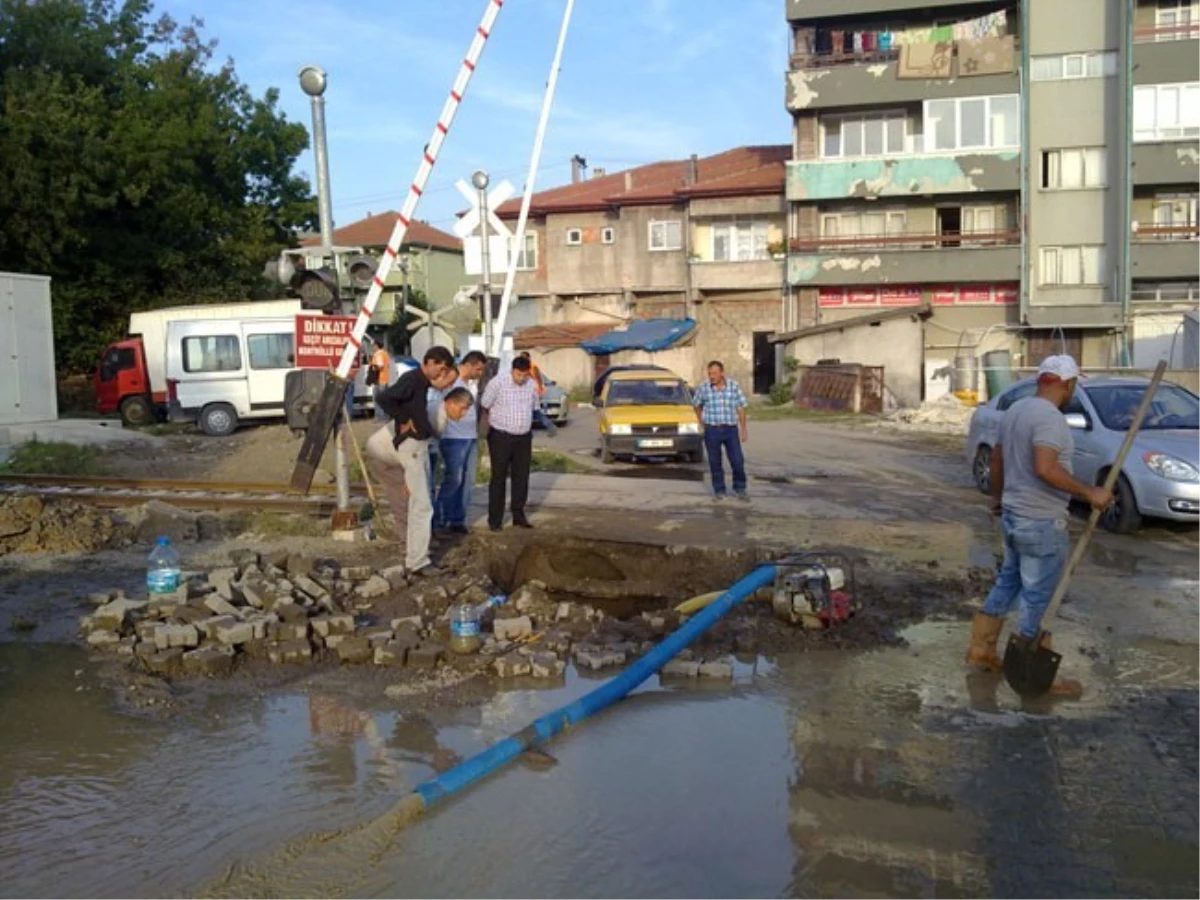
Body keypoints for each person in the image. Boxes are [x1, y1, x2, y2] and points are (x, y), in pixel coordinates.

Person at [966, 355, 1113, 698]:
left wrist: (1000, 500)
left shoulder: (1016, 410)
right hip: (1041, 520)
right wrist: (1091, 492)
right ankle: (1033, 677)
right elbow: (1045, 468)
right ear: (1067, 383)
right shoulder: (1050, 419)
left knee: (1009, 581)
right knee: (1039, 599)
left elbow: (999, 459)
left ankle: (982, 651)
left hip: (1015, 515)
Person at [367, 346, 459, 577]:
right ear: (429, 362)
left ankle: (416, 556)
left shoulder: (422, 383)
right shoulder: (413, 379)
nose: (442, 373)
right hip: (412, 446)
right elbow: (384, 398)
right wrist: (403, 419)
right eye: (441, 368)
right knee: (422, 504)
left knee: (420, 503)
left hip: (418, 444)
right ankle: (418, 561)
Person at [481, 356, 540, 531]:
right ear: (512, 370)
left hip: (523, 437)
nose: (521, 378)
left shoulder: (531, 384)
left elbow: (534, 407)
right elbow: (485, 404)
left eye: (524, 375)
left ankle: (518, 514)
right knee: (499, 477)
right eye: (518, 374)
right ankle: (495, 519)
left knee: (521, 476)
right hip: (501, 436)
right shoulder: (498, 383)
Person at [434, 350, 487, 535]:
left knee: (468, 481)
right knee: (454, 480)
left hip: (470, 437)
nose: (480, 374)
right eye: (478, 369)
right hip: (453, 438)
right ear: (470, 365)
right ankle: (440, 518)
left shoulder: (469, 384)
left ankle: (457, 519)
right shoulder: (451, 380)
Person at [693, 360, 749, 501]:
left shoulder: (733, 386)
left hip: (730, 429)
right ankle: (719, 490)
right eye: (710, 373)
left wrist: (743, 429)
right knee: (715, 462)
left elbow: (741, 407)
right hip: (712, 430)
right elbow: (696, 404)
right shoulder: (704, 388)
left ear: (722, 373)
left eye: (715, 373)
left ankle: (740, 488)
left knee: (737, 460)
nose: (712, 376)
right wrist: (700, 422)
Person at [367, 337, 393, 421]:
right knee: (384, 399)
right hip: (385, 379)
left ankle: (380, 417)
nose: (373, 347)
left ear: (377, 346)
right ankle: (385, 416)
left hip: (379, 380)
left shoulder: (378, 354)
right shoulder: (385, 353)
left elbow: (380, 366)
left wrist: (373, 369)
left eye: (373, 345)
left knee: (378, 399)